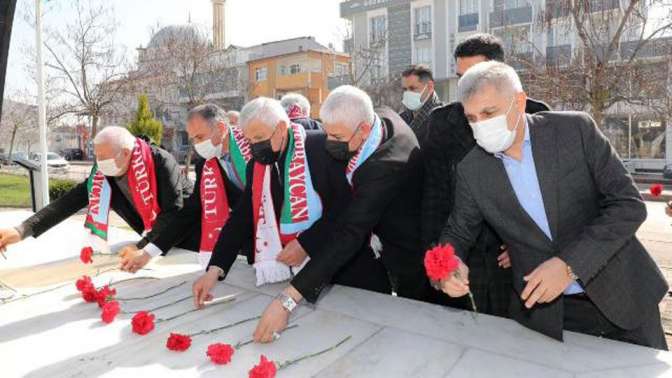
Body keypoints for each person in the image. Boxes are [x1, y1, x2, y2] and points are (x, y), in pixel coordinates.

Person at [438, 61, 668, 350]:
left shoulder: (574, 130)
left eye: (489, 113)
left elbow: (628, 205)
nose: (480, 125)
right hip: (548, 315)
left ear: (519, 102)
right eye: (471, 118)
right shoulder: (472, 169)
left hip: (623, 295)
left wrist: (569, 265)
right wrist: (447, 267)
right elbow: (458, 233)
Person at [253, 85, 431, 343]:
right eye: (327, 132)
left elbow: (349, 233)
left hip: (410, 245)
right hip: (383, 234)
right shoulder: (376, 116)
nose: (329, 144)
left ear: (364, 130)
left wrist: (287, 301)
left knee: (415, 323)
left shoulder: (385, 167)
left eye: (337, 136)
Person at [191, 97, 390, 317]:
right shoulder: (257, 165)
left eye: (259, 138)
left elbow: (346, 208)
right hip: (303, 277)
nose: (255, 147)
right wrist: (214, 270)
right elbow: (241, 218)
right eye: (249, 141)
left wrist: (306, 243)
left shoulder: (320, 148)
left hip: (351, 271)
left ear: (281, 128)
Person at [422, 33, 550, 317]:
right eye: (460, 77)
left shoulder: (536, 115)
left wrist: (526, 242)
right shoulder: (442, 123)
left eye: (475, 76)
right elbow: (433, 198)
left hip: (519, 259)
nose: (467, 86)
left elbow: (551, 199)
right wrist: (441, 260)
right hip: (464, 250)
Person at [0, 127, 194, 272]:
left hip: (190, 239)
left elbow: (173, 211)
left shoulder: (160, 162)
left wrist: (141, 246)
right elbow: (69, 202)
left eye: (104, 158)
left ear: (126, 153)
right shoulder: (105, 172)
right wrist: (22, 230)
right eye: (97, 157)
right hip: (153, 242)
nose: (99, 164)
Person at [151, 104, 252, 270]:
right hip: (248, 244)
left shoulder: (253, 146)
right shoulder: (205, 164)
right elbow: (191, 210)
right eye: (193, 139)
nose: (197, 144)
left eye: (199, 137)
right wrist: (151, 250)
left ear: (220, 128)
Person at [399, 64, 443, 146]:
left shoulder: (444, 119)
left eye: (412, 88)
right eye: (405, 89)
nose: (407, 93)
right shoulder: (400, 121)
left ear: (430, 87)